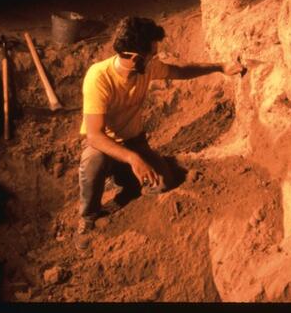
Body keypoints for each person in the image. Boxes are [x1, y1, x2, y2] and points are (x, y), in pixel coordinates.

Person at [76, 16, 244, 249]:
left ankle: (126, 181)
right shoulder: (99, 77)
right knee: (92, 162)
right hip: (105, 145)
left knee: (164, 182)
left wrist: (219, 67)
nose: (155, 58)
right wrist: (133, 159)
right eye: (152, 54)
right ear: (135, 58)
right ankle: (88, 216)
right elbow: (94, 135)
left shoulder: (146, 67)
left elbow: (180, 70)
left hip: (134, 141)